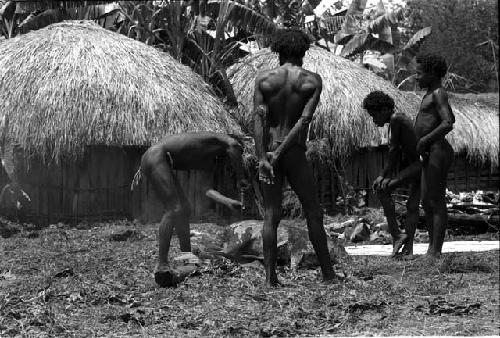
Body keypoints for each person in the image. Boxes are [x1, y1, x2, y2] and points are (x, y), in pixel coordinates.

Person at [253, 28, 336, 286]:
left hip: (270, 152)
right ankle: (328, 275)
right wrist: (280, 153)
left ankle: (270, 279)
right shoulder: (312, 80)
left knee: (271, 214)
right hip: (296, 154)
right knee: (313, 212)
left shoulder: (263, 79)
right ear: (303, 52)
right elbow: (304, 120)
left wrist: (264, 158)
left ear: (278, 51)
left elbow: (258, 119)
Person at [134, 132, 248, 286]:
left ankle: (187, 260)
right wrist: (241, 177)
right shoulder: (222, 141)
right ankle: (161, 264)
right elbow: (234, 145)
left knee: (184, 209)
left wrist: (227, 202)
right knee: (174, 209)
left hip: (162, 160)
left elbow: (207, 190)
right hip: (156, 156)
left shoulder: (210, 158)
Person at [362, 91, 421, 257]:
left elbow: (393, 151)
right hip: (419, 164)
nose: (374, 121)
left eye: (374, 116)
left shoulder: (396, 119)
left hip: (421, 165)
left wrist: (383, 176)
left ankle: (397, 235)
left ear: (385, 110)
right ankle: (407, 250)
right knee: (412, 207)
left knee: (382, 189)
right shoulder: (397, 119)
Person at [414, 53, 455, 258]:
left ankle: (436, 252)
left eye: (419, 73)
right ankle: (432, 248)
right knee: (426, 201)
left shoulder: (438, 93)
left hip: (438, 150)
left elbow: (448, 122)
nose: (416, 77)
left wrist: (424, 140)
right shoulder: (430, 93)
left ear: (431, 73)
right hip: (430, 152)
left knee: (436, 201)